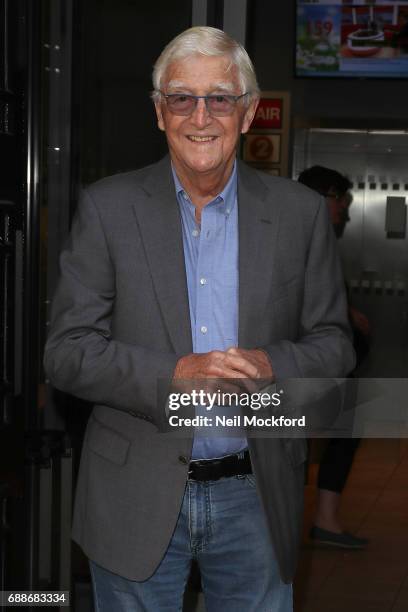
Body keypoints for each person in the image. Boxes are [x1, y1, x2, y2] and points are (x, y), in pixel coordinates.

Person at [44, 27, 354, 611]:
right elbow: (67, 351)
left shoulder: (300, 215)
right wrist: (174, 375)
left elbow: (335, 345)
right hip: (134, 494)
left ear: (249, 111)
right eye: (181, 97)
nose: (201, 115)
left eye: (220, 97)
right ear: (160, 113)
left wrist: (272, 364)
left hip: (256, 494)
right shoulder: (108, 208)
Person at [298, 165, 370, 549]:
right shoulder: (299, 238)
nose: (343, 208)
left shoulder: (309, 237)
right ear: (321, 197)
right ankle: (317, 520)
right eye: (340, 199)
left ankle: (323, 519)